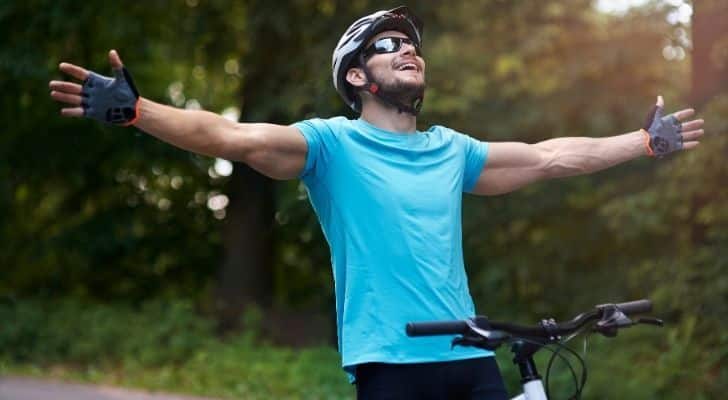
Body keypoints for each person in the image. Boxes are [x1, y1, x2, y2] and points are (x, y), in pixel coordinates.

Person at [49, 6, 703, 400]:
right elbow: (229, 136)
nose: (408, 49)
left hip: (472, 358)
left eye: (411, 43)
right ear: (357, 77)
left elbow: (549, 156)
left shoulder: (452, 150)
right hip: (391, 364)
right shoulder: (332, 146)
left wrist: (644, 142)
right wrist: (136, 110)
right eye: (389, 46)